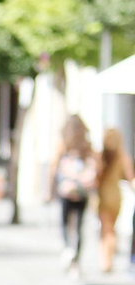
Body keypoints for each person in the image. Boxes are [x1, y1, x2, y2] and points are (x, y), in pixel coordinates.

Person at [50, 115, 96, 275]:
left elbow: (54, 167)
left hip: (66, 190)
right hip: (82, 191)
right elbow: (97, 165)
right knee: (79, 226)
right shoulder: (87, 146)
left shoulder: (64, 145)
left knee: (65, 223)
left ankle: (68, 249)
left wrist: (50, 189)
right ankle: (75, 260)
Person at [96, 127, 133, 275]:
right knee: (112, 228)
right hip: (116, 195)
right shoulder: (123, 156)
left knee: (107, 229)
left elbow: (96, 177)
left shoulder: (101, 156)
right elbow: (130, 178)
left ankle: (107, 261)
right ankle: (109, 259)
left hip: (104, 194)